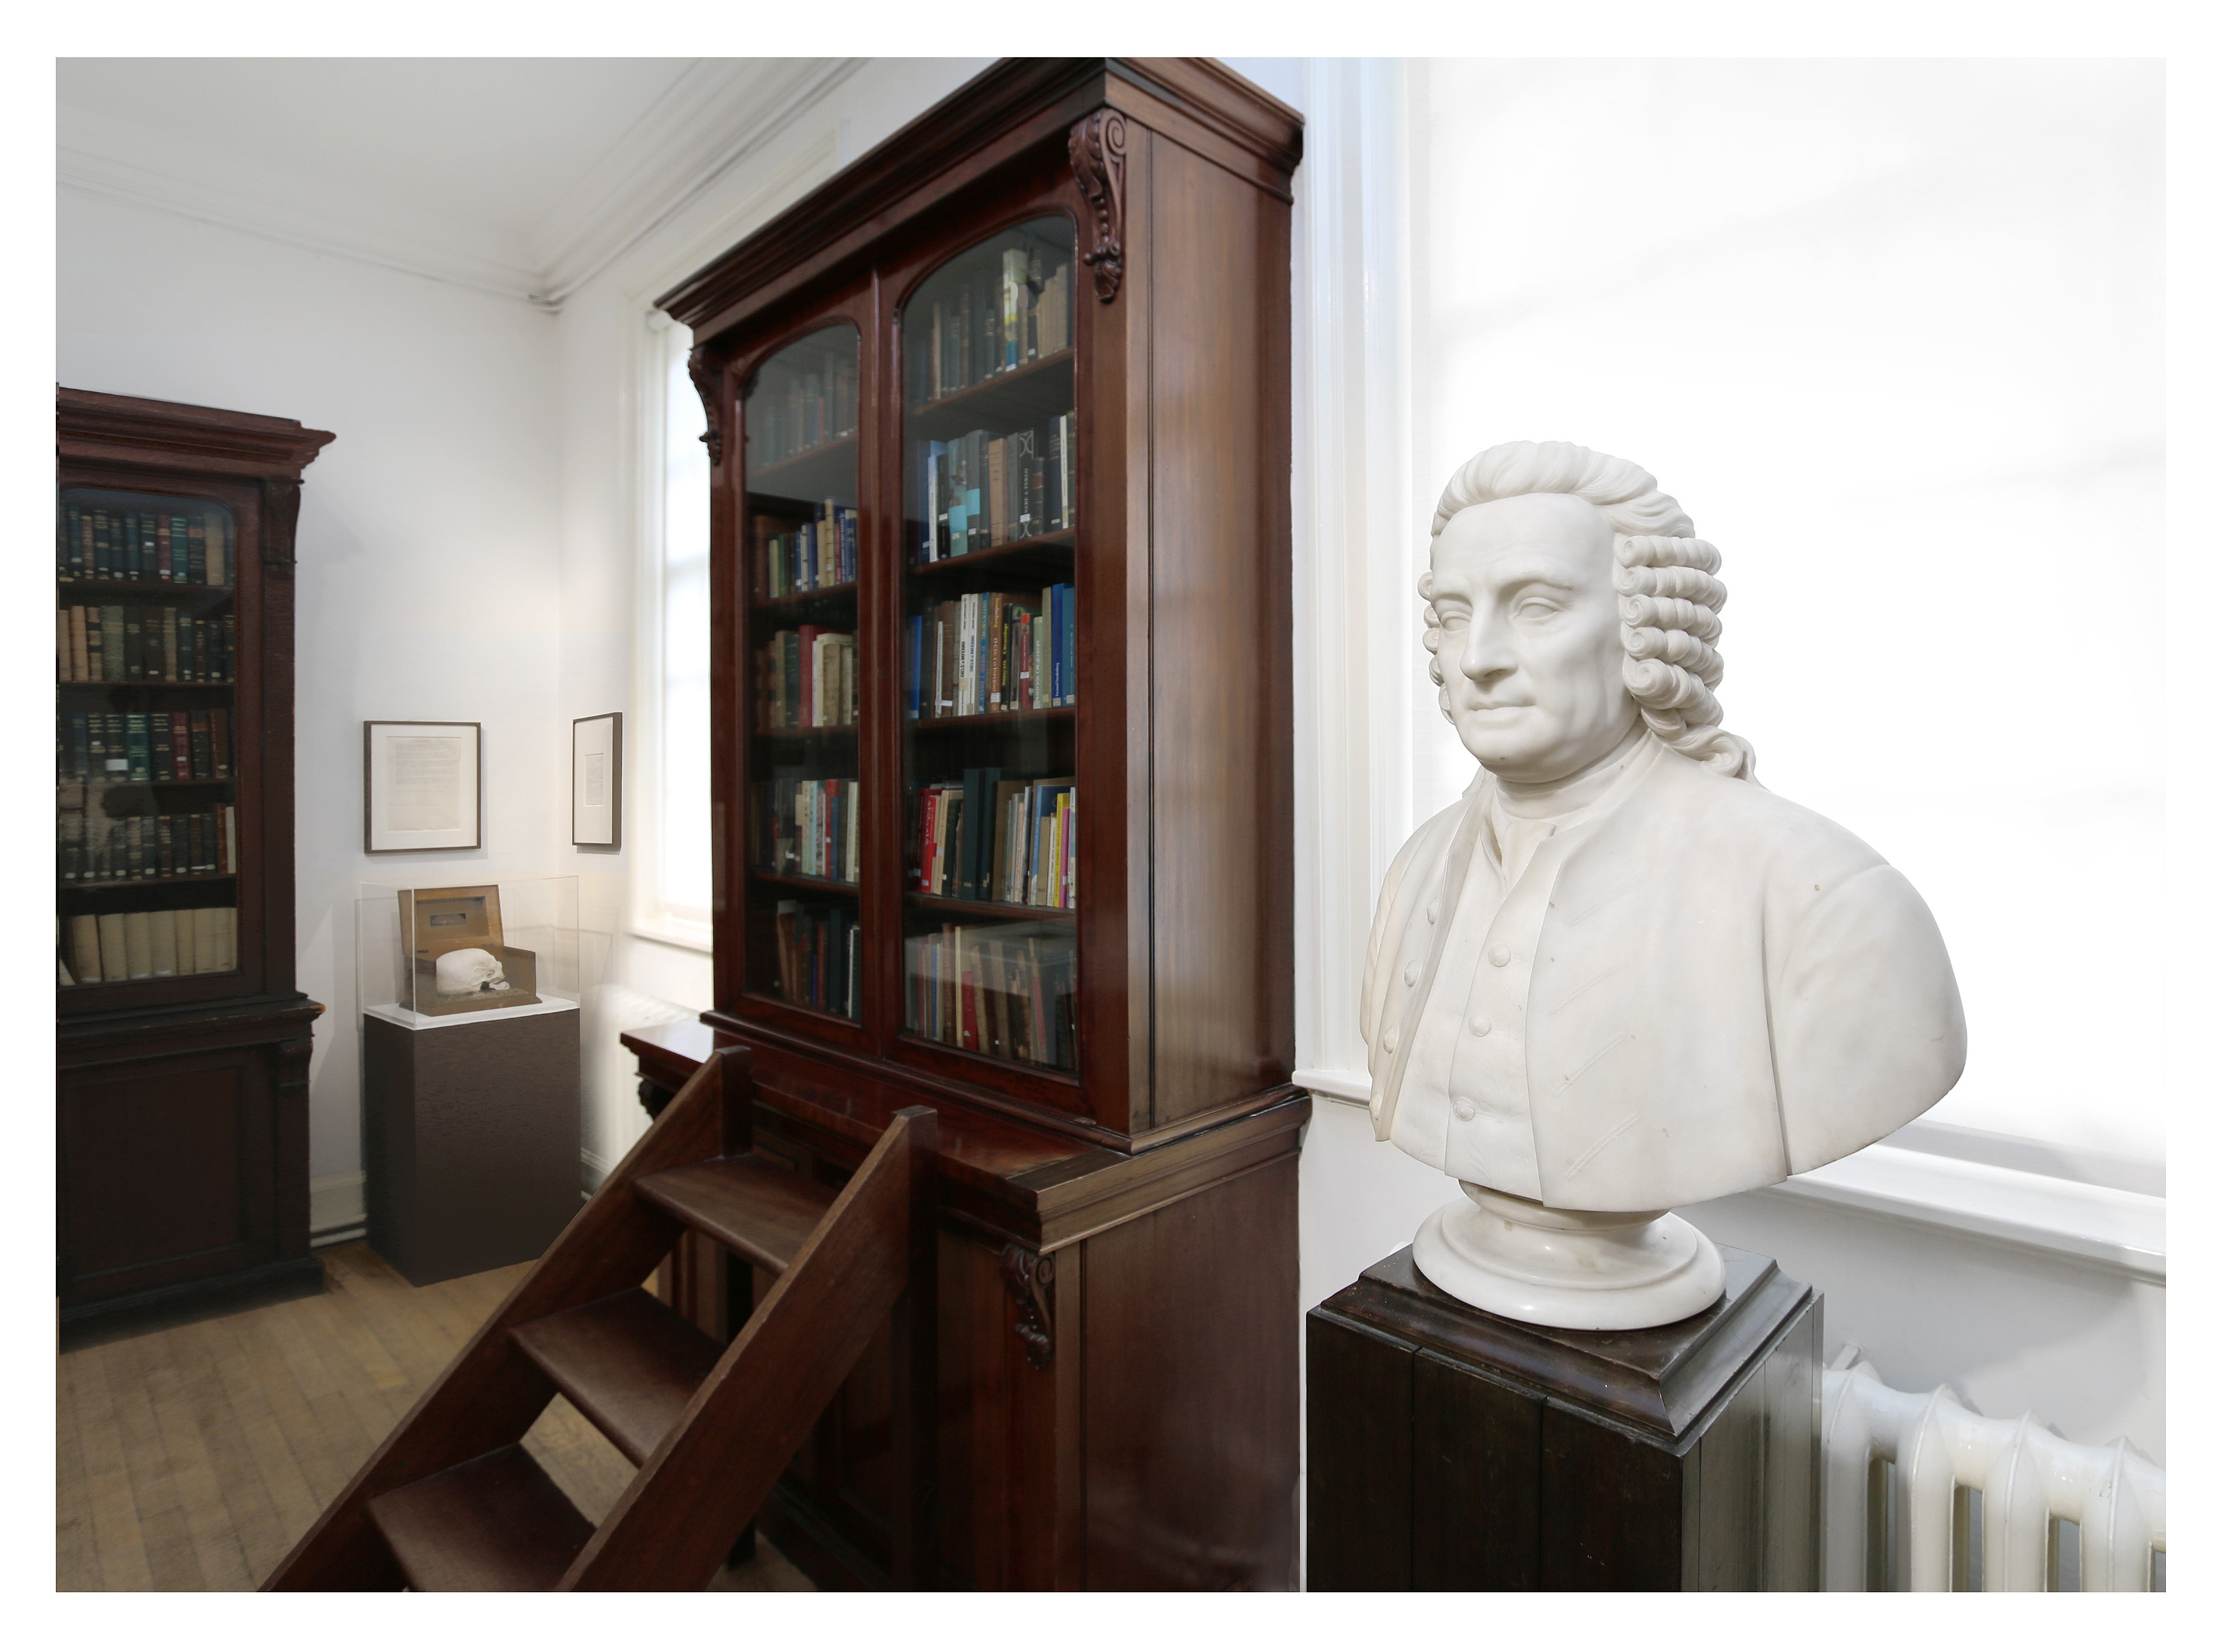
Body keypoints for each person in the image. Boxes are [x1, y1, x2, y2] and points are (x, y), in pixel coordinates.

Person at [1362, 440, 1965, 1215]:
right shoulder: (1416, 870)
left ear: (1642, 630)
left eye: (1537, 607)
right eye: (1453, 615)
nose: (1478, 657)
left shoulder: (1827, 902)